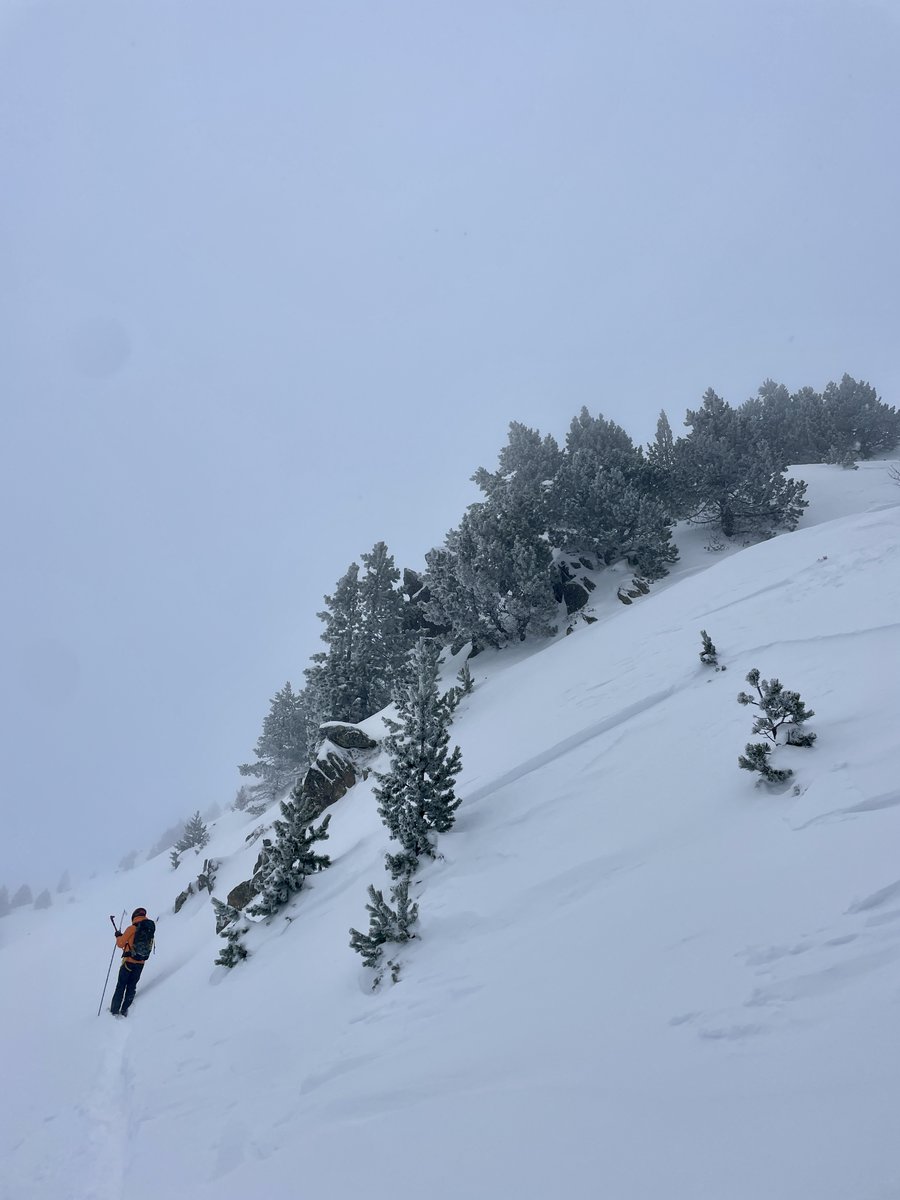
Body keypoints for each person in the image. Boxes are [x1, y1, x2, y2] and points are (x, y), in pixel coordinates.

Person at [110, 907, 154, 1017]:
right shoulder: (149, 929)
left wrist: (118, 936)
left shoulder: (132, 928)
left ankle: (114, 1011)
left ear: (134, 917)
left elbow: (120, 944)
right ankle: (125, 1010)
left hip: (128, 962)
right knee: (132, 986)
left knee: (121, 986)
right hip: (140, 963)